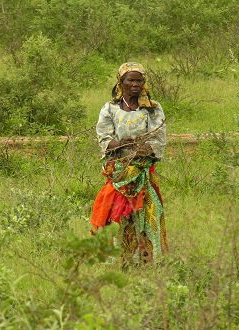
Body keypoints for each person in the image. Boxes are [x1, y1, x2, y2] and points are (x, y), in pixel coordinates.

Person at [90, 62, 168, 265]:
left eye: (139, 80)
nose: (135, 84)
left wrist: (145, 149)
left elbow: (159, 139)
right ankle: (117, 261)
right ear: (121, 83)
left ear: (144, 83)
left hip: (143, 173)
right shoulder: (110, 108)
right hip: (120, 174)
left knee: (149, 212)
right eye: (130, 80)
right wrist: (120, 144)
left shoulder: (153, 109)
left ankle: (148, 261)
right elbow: (104, 138)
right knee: (118, 216)